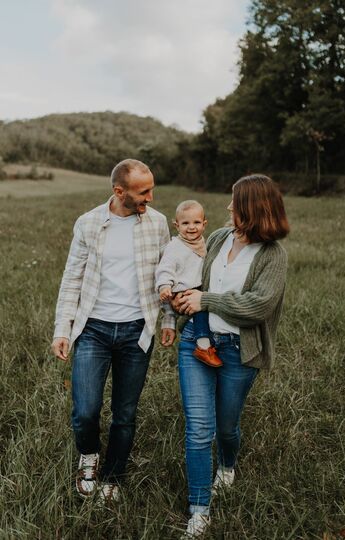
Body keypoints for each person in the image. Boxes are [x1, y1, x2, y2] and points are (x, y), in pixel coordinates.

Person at [51, 158, 176, 502]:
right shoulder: (89, 223)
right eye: (143, 191)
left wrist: (167, 319)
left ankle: (113, 475)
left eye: (151, 188)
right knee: (86, 410)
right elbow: (72, 278)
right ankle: (88, 457)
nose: (150, 196)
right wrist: (63, 328)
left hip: (138, 331)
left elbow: (166, 274)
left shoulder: (158, 223)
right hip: (93, 330)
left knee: (125, 413)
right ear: (119, 191)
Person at [174, 174, 290, 538]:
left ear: (252, 209)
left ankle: (227, 464)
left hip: (241, 349)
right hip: (198, 341)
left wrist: (206, 300)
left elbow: (260, 305)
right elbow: (200, 283)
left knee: (226, 426)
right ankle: (199, 508)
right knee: (198, 429)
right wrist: (181, 299)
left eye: (235, 202)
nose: (228, 207)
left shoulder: (273, 255)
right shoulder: (218, 238)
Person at [155, 200, 222, 368]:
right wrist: (164, 285)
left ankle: (211, 342)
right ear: (176, 225)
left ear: (204, 224)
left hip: (197, 287)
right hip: (183, 290)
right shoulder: (175, 247)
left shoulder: (201, 243)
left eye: (196, 222)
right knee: (199, 310)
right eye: (185, 223)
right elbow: (165, 268)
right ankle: (203, 346)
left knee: (204, 306)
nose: (191, 227)